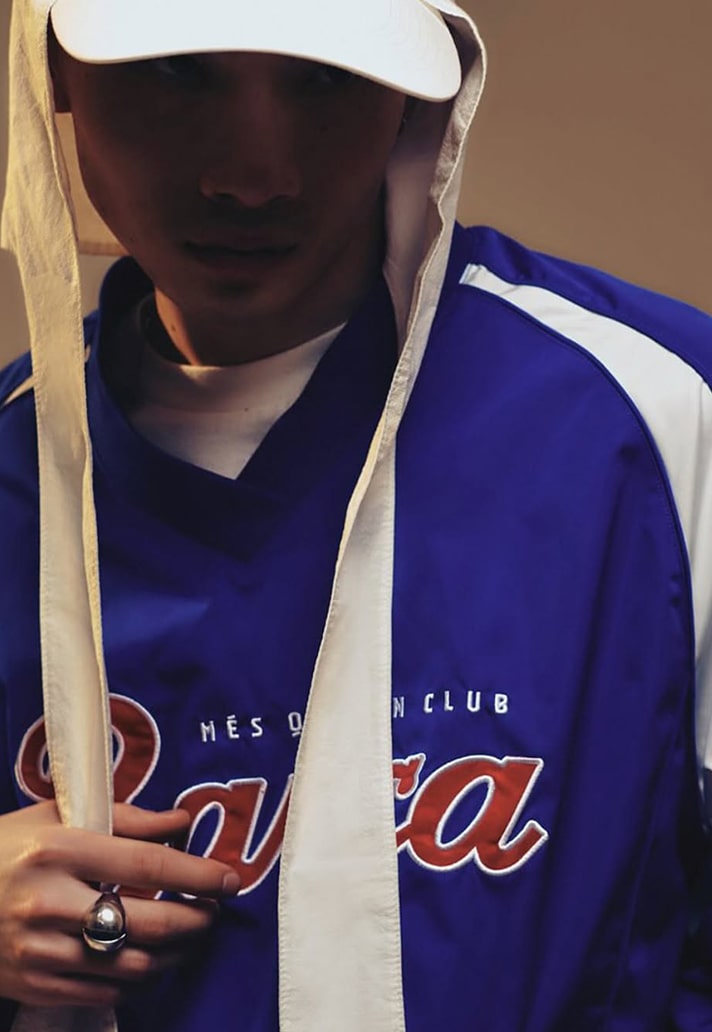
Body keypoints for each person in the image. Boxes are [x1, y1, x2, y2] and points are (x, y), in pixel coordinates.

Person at [0, 0, 711, 1029]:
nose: (253, 175)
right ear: (57, 74)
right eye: (180, 73)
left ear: (414, 95)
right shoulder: (12, 472)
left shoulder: (658, 418)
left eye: (325, 81)